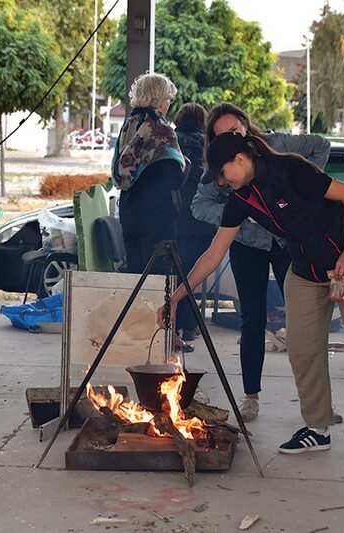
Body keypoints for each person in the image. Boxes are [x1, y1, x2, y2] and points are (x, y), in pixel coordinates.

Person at [159, 131, 344, 466]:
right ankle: (317, 428)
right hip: (304, 269)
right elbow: (212, 255)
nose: (222, 182)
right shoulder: (241, 199)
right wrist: (177, 297)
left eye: (223, 173)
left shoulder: (290, 169)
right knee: (303, 350)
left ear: (240, 159)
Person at [190, 102, 331, 422]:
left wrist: (306, 193)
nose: (231, 137)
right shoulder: (217, 165)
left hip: (286, 241)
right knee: (251, 319)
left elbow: (321, 145)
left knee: (305, 317)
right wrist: (236, 219)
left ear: (246, 124)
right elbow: (198, 205)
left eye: (234, 130)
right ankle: (250, 396)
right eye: (222, 134)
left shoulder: (276, 144)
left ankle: (318, 400)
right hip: (247, 246)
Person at [112, 72, 186, 275]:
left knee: (136, 275)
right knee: (160, 280)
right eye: (168, 99)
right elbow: (174, 177)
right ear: (160, 100)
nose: (169, 104)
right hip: (157, 215)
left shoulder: (129, 124)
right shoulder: (162, 130)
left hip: (130, 211)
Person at [172, 102, 214, 342]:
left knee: (178, 271)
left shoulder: (172, 141)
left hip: (177, 217)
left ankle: (183, 321)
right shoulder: (209, 144)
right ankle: (189, 324)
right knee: (193, 272)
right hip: (203, 220)